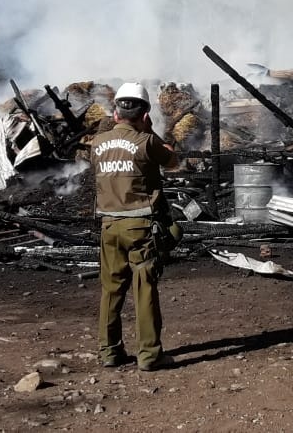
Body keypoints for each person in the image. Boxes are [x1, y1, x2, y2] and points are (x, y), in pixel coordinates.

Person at [90, 82, 179, 371]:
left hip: (109, 225)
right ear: (145, 115)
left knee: (111, 290)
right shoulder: (146, 141)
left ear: (115, 115)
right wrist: (149, 131)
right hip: (140, 227)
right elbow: (173, 161)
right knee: (145, 289)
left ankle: (109, 353)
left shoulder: (96, 144)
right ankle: (150, 355)